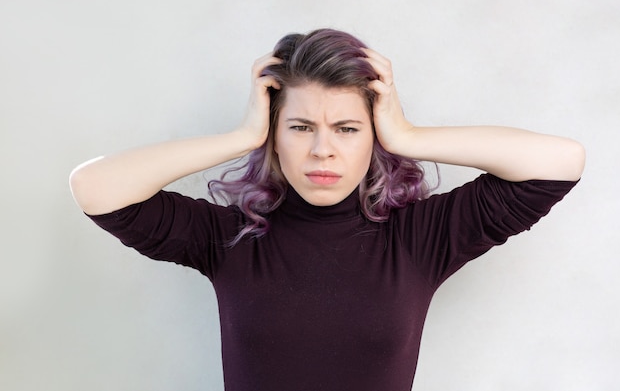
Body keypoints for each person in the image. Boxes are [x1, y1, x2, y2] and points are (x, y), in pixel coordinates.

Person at [69, 28, 585, 391]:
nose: (323, 151)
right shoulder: (228, 237)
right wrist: (241, 135)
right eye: (299, 127)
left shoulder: (419, 238)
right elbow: (94, 186)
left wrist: (407, 134)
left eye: (346, 128)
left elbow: (561, 160)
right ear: (274, 136)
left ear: (373, 137)